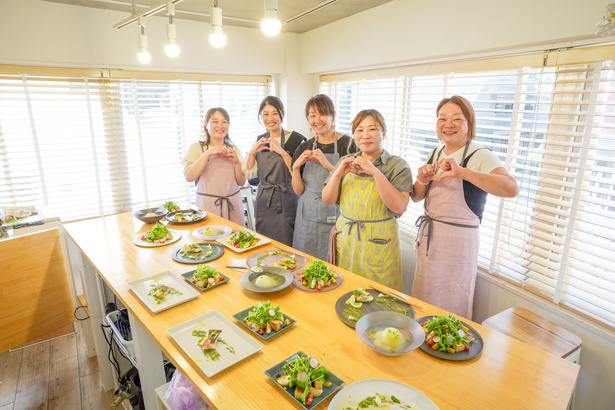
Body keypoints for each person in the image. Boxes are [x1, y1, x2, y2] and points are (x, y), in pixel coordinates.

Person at [411, 95, 518, 319]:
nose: (448, 124)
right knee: (425, 301)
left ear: (469, 123)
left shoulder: (479, 155)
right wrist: (422, 178)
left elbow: (511, 188)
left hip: (457, 246)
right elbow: (417, 197)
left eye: (457, 118)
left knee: (451, 304)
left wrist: (463, 173)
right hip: (430, 240)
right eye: (442, 118)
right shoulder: (435, 153)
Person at [322, 109, 412, 291]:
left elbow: (399, 206)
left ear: (384, 133)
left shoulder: (397, 165)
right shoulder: (346, 161)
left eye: (372, 129)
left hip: (380, 243)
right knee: (344, 292)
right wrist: (338, 173)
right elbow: (327, 199)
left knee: (379, 297)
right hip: (347, 240)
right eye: (359, 130)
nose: (365, 135)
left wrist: (375, 172)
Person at [291, 94, 357, 260]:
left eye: (322, 114)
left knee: (332, 262)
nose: (317, 120)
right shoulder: (304, 147)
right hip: (306, 218)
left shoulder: (349, 145)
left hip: (336, 214)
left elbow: (354, 184)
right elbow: (298, 191)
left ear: (332, 116)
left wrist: (328, 165)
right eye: (312, 115)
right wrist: (295, 168)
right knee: (304, 263)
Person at [242, 96, 306, 246]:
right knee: (265, 245)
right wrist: (253, 152)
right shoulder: (260, 140)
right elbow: (250, 173)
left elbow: (300, 174)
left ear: (282, 114)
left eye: (274, 113)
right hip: (264, 201)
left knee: (287, 246)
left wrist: (282, 152)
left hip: (287, 201)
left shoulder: (297, 140)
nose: (270, 118)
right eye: (265, 114)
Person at [182, 107, 246, 226]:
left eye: (224, 122)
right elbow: (188, 176)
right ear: (206, 124)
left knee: (235, 237)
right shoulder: (197, 147)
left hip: (232, 205)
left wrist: (237, 162)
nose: (220, 126)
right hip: (208, 206)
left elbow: (242, 182)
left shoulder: (234, 149)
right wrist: (207, 154)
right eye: (215, 121)